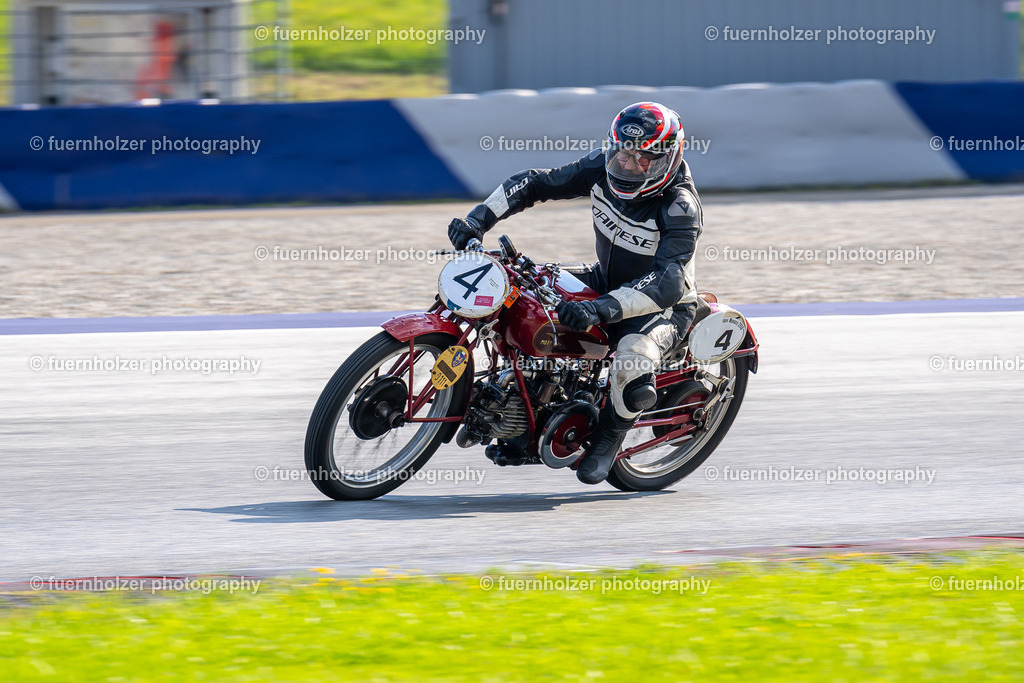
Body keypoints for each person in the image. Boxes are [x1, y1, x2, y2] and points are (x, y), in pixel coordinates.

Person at [447, 102, 702, 485]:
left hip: (662, 306)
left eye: (643, 159)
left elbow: (667, 281)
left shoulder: (679, 206)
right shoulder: (602, 166)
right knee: (521, 289)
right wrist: (476, 220)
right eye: (622, 154)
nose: (628, 166)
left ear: (669, 158)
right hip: (604, 280)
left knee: (632, 360)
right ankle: (515, 394)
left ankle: (609, 437)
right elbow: (535, 183)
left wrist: (600, 310)